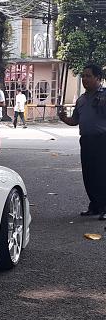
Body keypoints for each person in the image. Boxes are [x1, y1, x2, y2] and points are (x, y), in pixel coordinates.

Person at [58, 64, 106, 220]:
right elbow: (75, 121)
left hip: (102, 141)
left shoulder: (104, 96)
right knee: (89, 174)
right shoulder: (81, 100)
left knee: (102, 174)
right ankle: (95, 206)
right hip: (86, 141)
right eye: (83, 76)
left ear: (98, 78)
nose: (84, 79)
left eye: (88, 76)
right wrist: (64, 118)